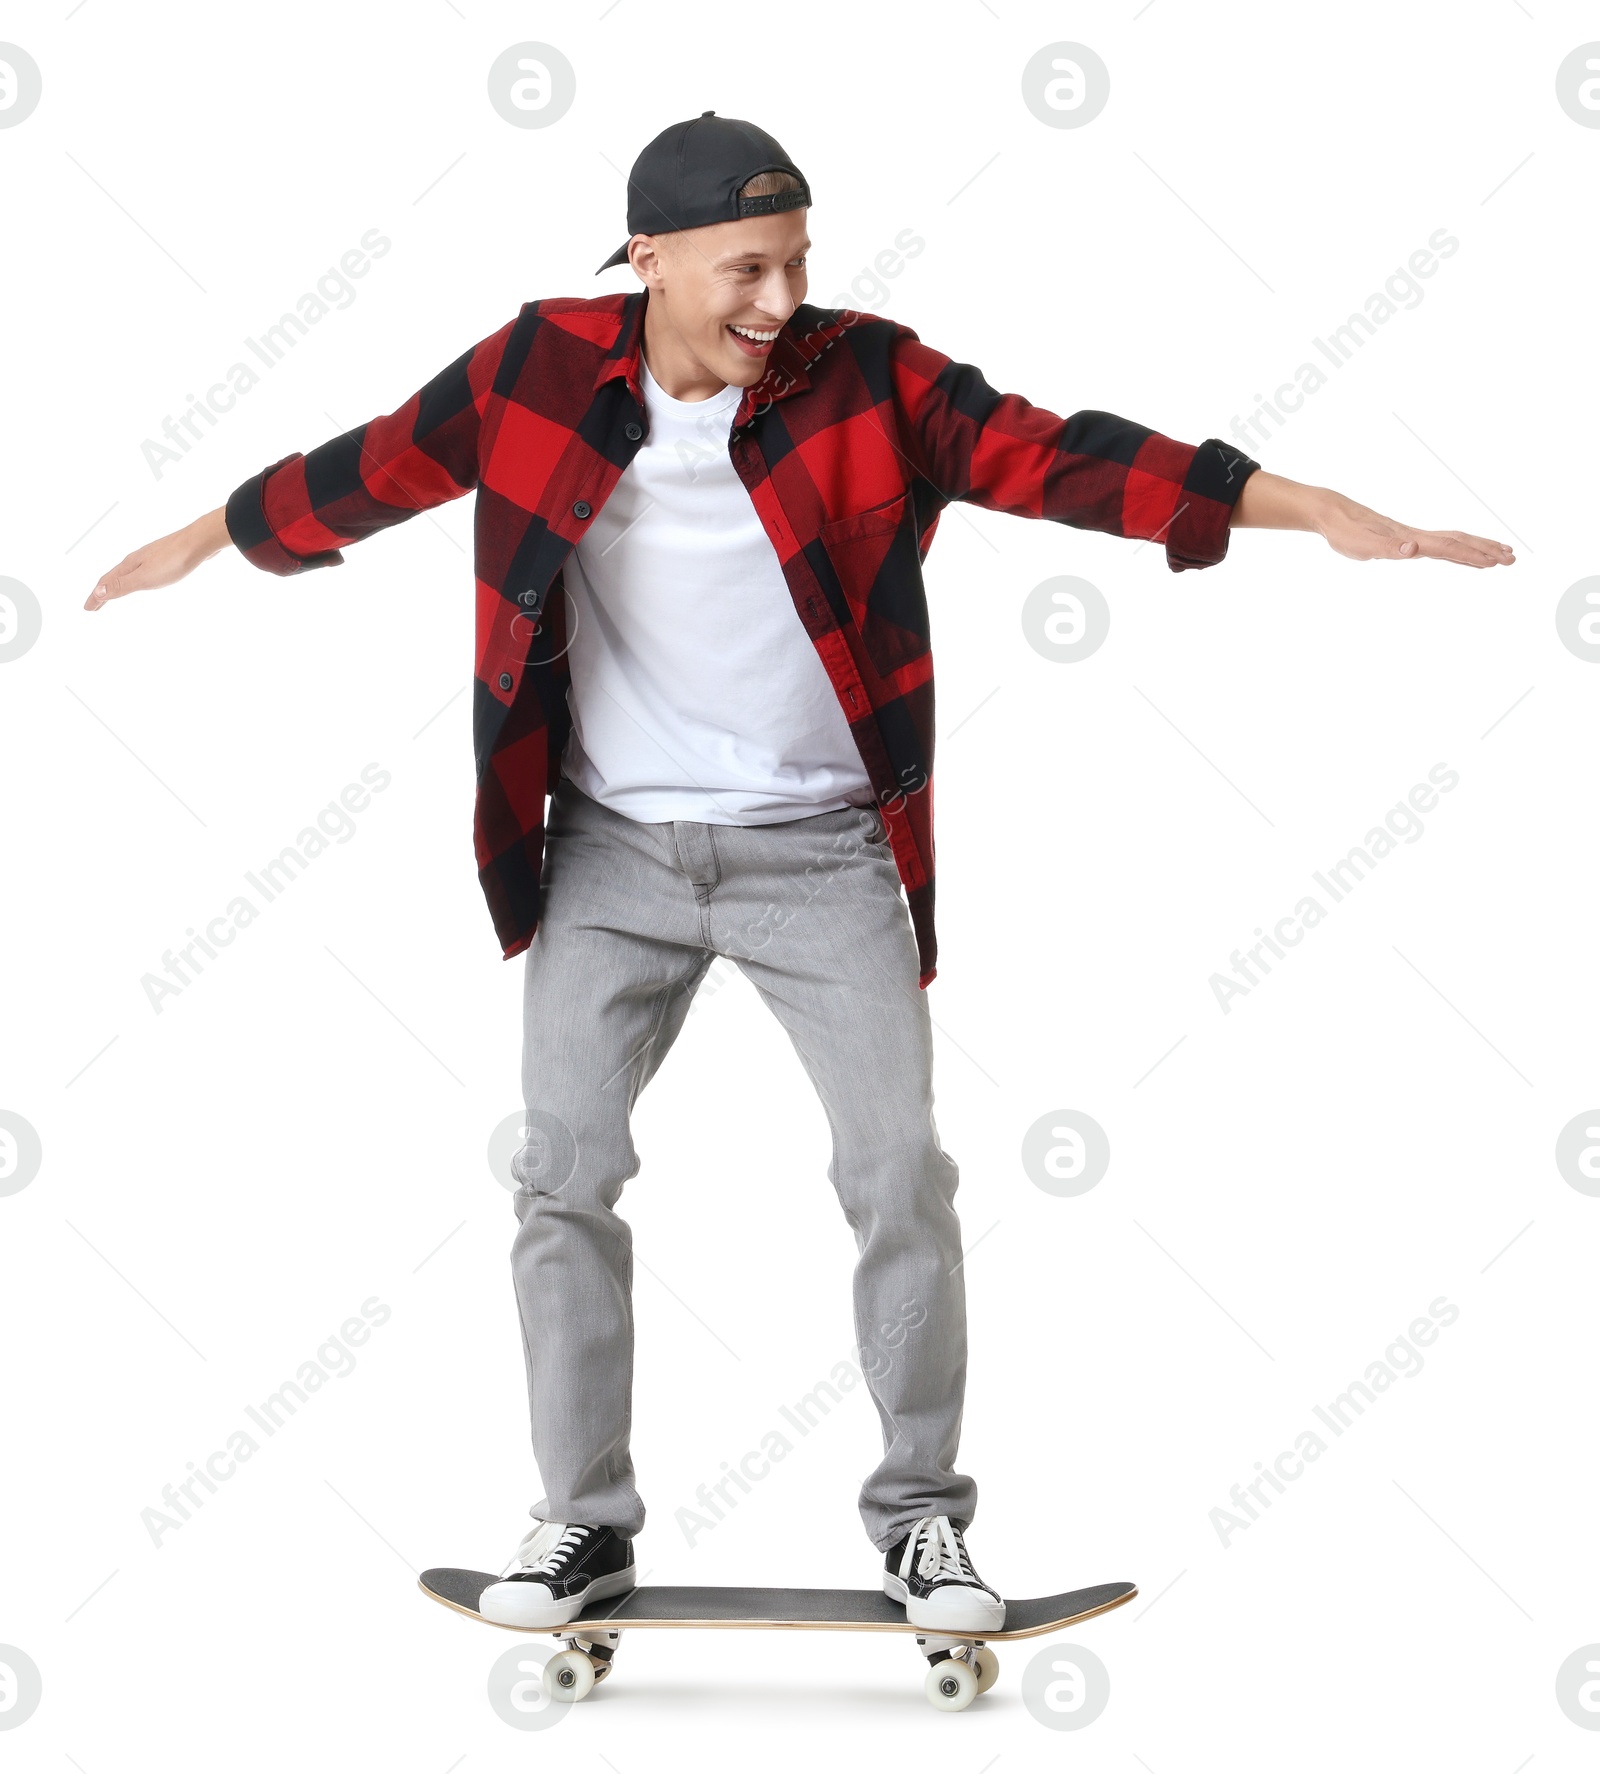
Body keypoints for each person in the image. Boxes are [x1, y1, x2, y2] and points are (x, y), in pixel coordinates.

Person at [85, 112, 1514, 1636]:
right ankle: (582, 1523)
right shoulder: (536, 371)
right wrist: (198, 537)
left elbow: (1066, 455)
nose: (780, 297)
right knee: (560, 1171)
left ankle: (922, 1526)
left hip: (822, 849)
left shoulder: (868, 379)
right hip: (611, 855)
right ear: (649, 257)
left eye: (799, 260)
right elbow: (367, 467)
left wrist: (1297, 508)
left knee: (896, 1171)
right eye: (747, 267)